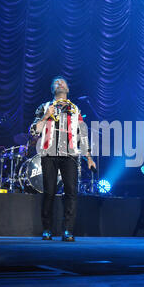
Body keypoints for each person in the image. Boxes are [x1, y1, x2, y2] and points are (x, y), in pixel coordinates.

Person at [30, 76, 96, 242]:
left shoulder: (76, 110)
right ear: (53, 89)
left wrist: (89, 157)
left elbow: (83, 134)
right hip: (49, 155)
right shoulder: (44, 107)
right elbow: (33, 132)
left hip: (70, 155)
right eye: (56, 83)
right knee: (49, 192)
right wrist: (45, 117)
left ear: (67, 89)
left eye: (63, 82)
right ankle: (47, 229)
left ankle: (68, 230)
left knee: (71, 192)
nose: (59, 84)